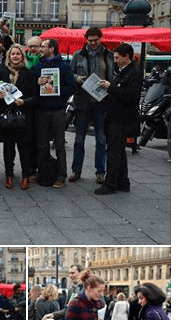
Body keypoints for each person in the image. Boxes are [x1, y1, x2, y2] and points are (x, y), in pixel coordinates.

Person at [95, 43, 142, 195]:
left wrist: (110, 87)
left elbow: (131, 96)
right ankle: (123, 181)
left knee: (114, 152)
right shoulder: (122, 71)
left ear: (126, 57)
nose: (114, 60)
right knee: (119, 151)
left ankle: (110, 183)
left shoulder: (134, 72)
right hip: (115, 116)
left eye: (117, 57)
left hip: (122, 118)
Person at [69, 27, 114, 184]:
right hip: (82, 102)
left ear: (101, 39)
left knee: (101, 139)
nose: (93, 43)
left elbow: (113, 75)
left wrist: (109, 83)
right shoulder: (78, 55)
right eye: (90, 40)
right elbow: (70, 74)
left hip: (101, 102)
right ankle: (76, 171)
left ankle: (100, 172)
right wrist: (77, 79)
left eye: (96, 40)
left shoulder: (108, 55)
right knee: (79, 140)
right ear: (86, 39)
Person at [0, 44, 38, 190]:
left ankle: (26, 176)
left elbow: (36, 97)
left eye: (18, 54)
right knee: (8, 149)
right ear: (8, 57)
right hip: (7, 118)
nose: (15, 56)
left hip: (24, 118)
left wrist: (23, 102)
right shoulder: (2, 73)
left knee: (24, 149)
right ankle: (9, 175)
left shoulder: (29, 73)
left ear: (22, 57)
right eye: (12, 54)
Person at [33, 38, 75, 188]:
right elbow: (33, 90)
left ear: (51, 49)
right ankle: (43, 172)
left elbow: (71, 87)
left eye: (43, 46)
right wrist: (37, 83)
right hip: (42, 110)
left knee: (59, 145)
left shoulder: (64, 67)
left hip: (57, 110)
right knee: (42, 145)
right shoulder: (38, 67)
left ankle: (61, 175)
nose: (40, 49)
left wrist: (57, 90)